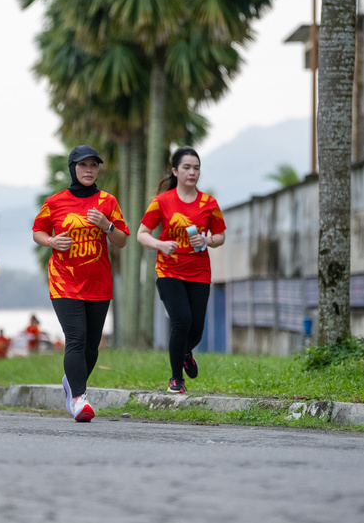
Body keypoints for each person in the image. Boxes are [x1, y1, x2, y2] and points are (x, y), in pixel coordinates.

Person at [32, 144, 129, 422]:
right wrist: (51, 241)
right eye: (83, 165)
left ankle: (71, 382)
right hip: (64, 281)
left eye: (93, 165)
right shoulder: (55, 202)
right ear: (72, 168)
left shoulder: (107, 201)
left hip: (98, 282)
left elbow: (122, 240)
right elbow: (38, 231)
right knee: (76, 338)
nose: (89, 170)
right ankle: (79, 399)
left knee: (91, 345)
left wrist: (107, 225)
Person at [137, 147, 226, 395]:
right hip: (169, 270)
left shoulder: (209, 203)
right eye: (186, 167)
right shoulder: (162, 201)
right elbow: (142, 234)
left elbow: (220, 236)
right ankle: (176, 379)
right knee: (181, 321)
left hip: (199, 272)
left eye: (196, 168)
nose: (192, 172)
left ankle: (186, 352)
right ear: (175, 171)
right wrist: (160, 244)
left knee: (196, 329)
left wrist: (207, 240)